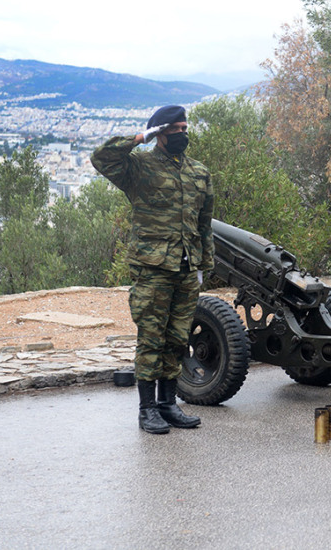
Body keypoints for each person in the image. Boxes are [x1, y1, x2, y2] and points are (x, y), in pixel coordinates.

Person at [91, 105, 214, 434]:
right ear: (159, 134)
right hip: (153, 268)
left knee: (178, 338)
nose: (181, 135)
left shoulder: (199, 172)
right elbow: (101, 158)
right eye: (174, 130)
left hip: (187, 268)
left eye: (184, 128)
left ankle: (168, 404)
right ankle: (147, 409)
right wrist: (138, 138)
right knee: (151, 339)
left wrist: (204, 266)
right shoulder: (139, 168)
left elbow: (204, 225)